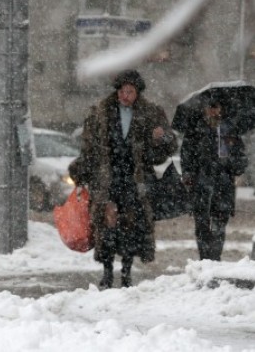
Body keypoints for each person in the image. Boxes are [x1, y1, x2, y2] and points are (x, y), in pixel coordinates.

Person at [69, 70, 177, 289]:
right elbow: (88, 147)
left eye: (130, 91)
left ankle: (126, 270)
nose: (125, 95)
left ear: (137, 93)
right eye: (121, 90)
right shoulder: (100, 112)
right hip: (107, 178)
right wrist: (82, 169)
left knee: (131, 224)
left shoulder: (151, 113)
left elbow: (167, 148)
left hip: (134, 178)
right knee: (105, 224)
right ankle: (107, 271)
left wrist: (161, 138)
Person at [180, 97, 248, 261]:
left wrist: (232, 164)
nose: (212, 110)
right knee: (202, 224)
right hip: (200, 184)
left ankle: (215, 259)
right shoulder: (195, 130)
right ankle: (204, 260)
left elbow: (241, 158)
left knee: (219, 225)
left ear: (221, 108)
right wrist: (189, 173)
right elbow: (186, 155)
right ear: (203, 109)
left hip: (223, 184)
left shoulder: (229, 130)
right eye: (209, 107)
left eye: (215, 106)